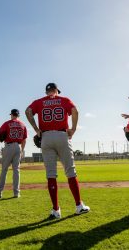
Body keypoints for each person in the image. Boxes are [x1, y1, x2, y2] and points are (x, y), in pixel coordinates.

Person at [25, 83, 90, 219]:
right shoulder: (64, 100)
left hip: (46, 137)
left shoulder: (39, 102)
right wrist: (73, 129)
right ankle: (79, 206)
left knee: (51, 175)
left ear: (47, 91)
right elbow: (75, 111)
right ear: (56, 91)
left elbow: (28, 111)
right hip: (62, 136)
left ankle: (56, 210)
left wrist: (37, 129)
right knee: (70, 172)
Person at [0, 109, 27, 199]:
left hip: (9, 146)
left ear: (11, 115)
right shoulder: (23, 125)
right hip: (18, 147)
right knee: (16, 171)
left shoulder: (7, 123)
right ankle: (16, 193)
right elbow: (24, 140)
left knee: (4, 170)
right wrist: (22, 150)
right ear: (18, 115)